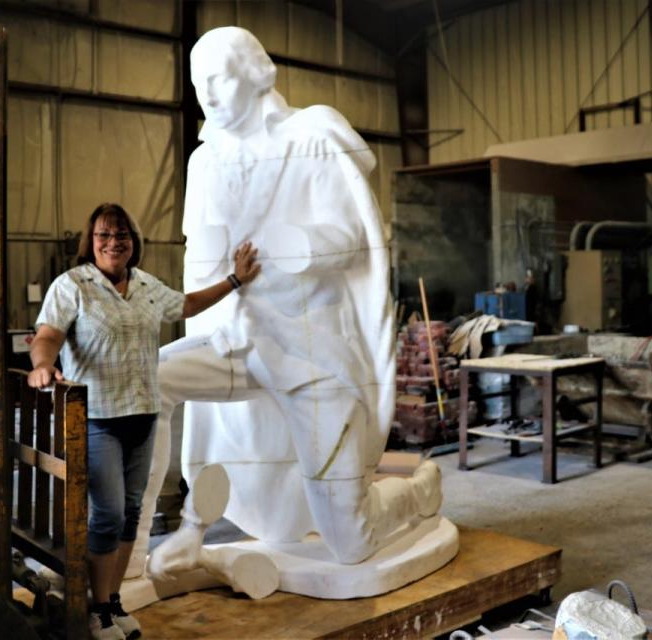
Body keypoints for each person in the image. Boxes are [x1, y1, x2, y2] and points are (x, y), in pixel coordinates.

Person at [131, 26, 444, 588]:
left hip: (307, 351)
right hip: (234, 344)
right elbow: (200, 263)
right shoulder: (206, 163)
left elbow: (356, 238)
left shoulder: (313, 134)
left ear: (255, 73)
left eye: (219, 78)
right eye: (198, 84)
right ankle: (147, 547)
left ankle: (412, 495)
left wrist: (283, 246)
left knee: (351, 545)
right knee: (144, 378)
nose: (208, 95)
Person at [29, 202, 259, 640]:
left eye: (122, 235)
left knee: (133, 514)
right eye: (104, 236)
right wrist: (43, 365)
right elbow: (47, 335)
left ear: (133, 243)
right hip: (98, 419)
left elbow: (187, 305)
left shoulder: (147, 286)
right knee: (107, 515)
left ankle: (113, 603)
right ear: (90, 243)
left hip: (144, 415)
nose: (114, 243)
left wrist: (234, 280)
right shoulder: (73, 285)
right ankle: (97, 611)